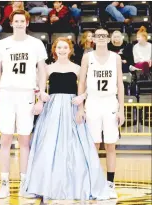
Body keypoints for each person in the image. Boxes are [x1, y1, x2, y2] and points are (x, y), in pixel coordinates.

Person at [22, 37, 111, 201]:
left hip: (71, 107)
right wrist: (40, 96)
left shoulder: (77, 68)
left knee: (74, 146)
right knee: (48, 145)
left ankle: (76, 184)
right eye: (59, 47)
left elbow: (88, 88)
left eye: (65, 48)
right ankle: (45, 184)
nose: (62, 50)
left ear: (70, 50)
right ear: (54, 50)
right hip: (53, 108)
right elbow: (38, 87)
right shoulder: (47, 69)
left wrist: (81, 102)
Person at [0, 10, 48, 199]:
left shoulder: (36, 44)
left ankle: (25, 182)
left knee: (24, 141)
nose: (20, 23)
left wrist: (40, 98)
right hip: (7, 94)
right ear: (11, 23)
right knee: (5, 140)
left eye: (22, 20)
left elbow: (42, 72)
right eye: (16, 21)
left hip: (27, 95)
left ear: (27, 22)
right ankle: (4, 183)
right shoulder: (2, 44)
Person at [77, 28, 125, 199]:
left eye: (105, 36)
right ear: (94, 39)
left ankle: (110, 184)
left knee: (111, 145)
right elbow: (81, 82)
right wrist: (81, 107)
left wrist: (122, 108)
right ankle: (93, 182)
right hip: (93, 102)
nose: (102, 39)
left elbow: (120, 83)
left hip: (110, 102)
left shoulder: (116, 58)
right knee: (94, 145)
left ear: (109, 39)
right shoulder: (87, 57)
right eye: (99, 36)